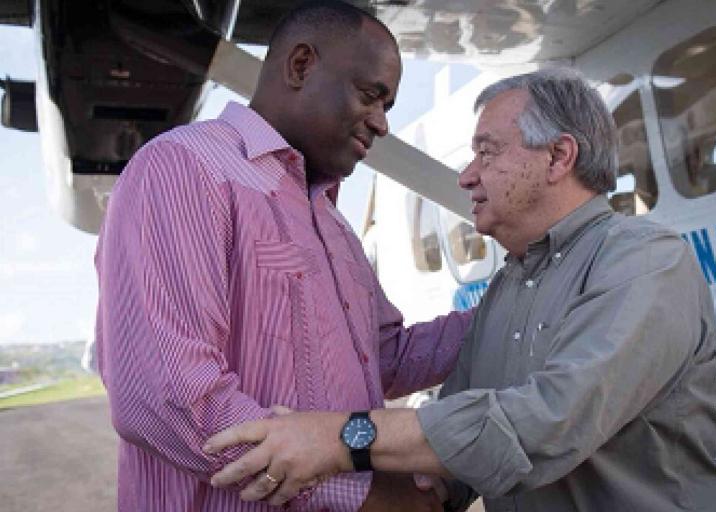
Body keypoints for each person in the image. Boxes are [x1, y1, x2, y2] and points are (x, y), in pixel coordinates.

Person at [203, 69, 716, 512]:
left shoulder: (645, 262)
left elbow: (542, 426)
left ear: (558, 157)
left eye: (487, 153)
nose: (466, 176)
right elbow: (457, 450)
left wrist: (340, 439)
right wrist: (411, 490)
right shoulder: (508, 287)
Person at [94, 1, 471, 511]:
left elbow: (387, 358)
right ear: (300, 65)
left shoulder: (333, 223)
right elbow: (167, 397)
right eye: (371, 96)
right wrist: (362, 494)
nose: (382, 124)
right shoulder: (184, 168)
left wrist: (516, 307)